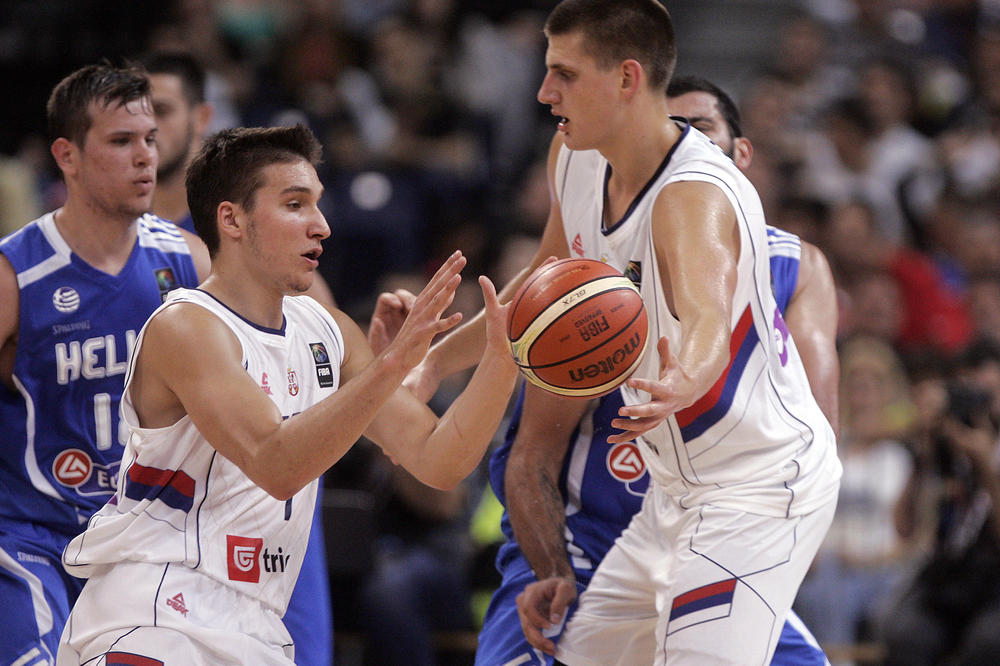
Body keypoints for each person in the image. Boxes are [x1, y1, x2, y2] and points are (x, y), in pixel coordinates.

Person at [392, 2, 839, 663]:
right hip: (672, 494)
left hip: (756, 490)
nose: (544, 93)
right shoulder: (574, 157)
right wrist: (437, 360)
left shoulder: (692, 195)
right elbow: (540, 287)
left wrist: (684, 376)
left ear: (627, 78)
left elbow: (708, 316)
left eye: (565, 75)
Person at [55, 124, 518, 664]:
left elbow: (440, 461)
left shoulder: (327, 330)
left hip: (255, 625)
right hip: (155, 615)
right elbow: (275, 464)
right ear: (232, 219)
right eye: (295, 204)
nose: (321, 225)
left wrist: (505, 355)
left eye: (317, 204)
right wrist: (392, 365)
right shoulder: (187, 326)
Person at [0, 63, 210, 666]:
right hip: (33, 537)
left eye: (150, 138)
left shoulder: (188, 262)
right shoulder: (17, 274)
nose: (146, 157)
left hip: (142, 544)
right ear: (66, 155)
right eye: (121, 141)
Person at [141, 49, 336, 666]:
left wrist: (400, 363)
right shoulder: (91, 250)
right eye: (130, 124)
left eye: (161, 113)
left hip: (268, 521)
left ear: (201, 119)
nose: (146, 135)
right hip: (158, 527)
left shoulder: (265, 241)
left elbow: (338, 358)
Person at [881, 338, 1000, 665]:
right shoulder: (945, 446)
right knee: (903, 634)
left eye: (987, 394)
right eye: (966, 393)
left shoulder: (986, 451)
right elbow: (904, 527)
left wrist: (984, 466)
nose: (977, 406)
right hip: (949, 579)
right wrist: (925, 450)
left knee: (988, 643)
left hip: (994, 585)